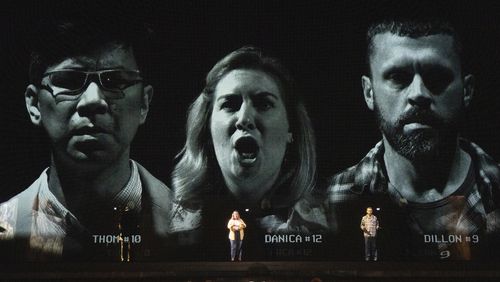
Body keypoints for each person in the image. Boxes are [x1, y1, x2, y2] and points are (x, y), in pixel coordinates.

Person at [0, 16, 175, 261]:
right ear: (34, 104)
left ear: (144, 104)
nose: (93, 100)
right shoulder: (3, 231)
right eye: (69, 81)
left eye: (115, 81)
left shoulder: (191, 226)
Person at [326, 19, 500, 260]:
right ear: (369, 92)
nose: (418, 93)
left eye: (437, 76)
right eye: (398, 76)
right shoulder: (328, 202)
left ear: (467, 90)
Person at [171, 46, 325, 260]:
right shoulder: (167, 224)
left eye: (263, 104)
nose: (244, 118)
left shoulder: (327, 226)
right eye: (230, 105)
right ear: (207, 128)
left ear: (292, 129)